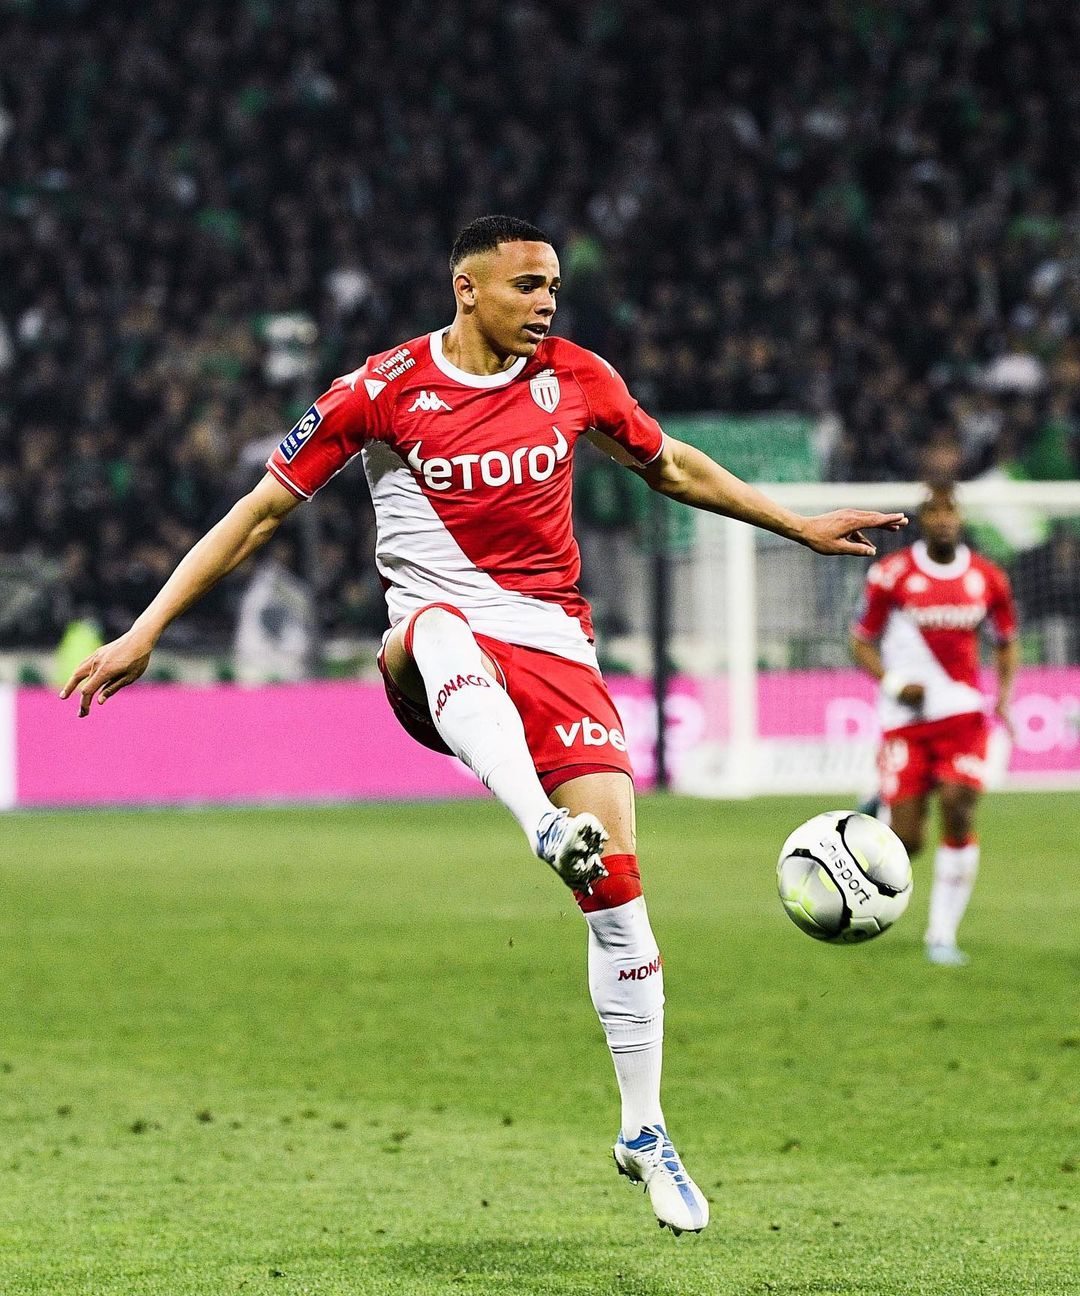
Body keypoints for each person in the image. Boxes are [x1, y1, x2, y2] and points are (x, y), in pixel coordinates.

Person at [61, 215, 905, 1236]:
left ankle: (644, 1129)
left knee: (619, 896)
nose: (547, 303)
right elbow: (258, 512)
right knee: (437, 626)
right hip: (432, 656)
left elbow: (672, 466)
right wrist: (147, 627)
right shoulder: (378, 391)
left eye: (553, 287)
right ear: (467, 289)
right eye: (526, 286)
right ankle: (541, 822)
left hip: (555, 653)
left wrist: (798, 526)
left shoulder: (577, 378)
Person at [850, 483, 1019, 967]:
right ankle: (880, 807)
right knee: (907, 842)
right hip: (905, 720)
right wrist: (894, 683)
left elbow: (1006, 640)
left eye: (950, 511)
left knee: (958, 806)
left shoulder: (987, 577)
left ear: (960, 518)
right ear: (922, 519)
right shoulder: (891, 575)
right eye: (934, 512)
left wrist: (1003, 698)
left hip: (963, 715)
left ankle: (941, 934)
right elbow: (860, 641)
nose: (944, 519)